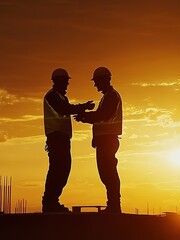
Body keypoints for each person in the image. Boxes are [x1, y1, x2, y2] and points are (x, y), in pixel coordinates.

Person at [42, 68, 95, 213]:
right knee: (57, 169)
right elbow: (64, 110)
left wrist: (81, 110)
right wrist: (83, 107)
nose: (67, 84)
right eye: (65, 81)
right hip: (56, 137)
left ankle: (53, 201)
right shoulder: (52, 96)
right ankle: (49, 202)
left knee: (64, 169)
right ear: (57, 81)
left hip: (63, 137)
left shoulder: (61, 97)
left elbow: (66, 108)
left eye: (67, 81)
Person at [75, 67, 123, 214]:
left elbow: (104, 115)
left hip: (108, 140)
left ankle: (114, 205)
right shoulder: (107, 97)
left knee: (108, 173)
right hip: (104, 140)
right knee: (106, 173)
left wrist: (85, 117)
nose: (95, 85)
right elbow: (101, 116)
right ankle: (113, 204)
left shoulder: (112, 96)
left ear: (104, 80)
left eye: (96, 81)